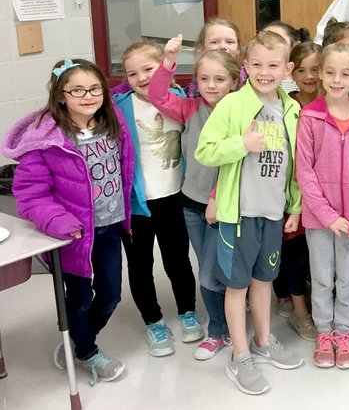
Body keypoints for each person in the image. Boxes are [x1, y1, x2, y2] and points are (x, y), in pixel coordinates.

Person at [2, 59, 133, 385]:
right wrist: (58, 221)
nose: (88, 96)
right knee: (78, 298)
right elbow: (30, 195)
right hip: (74, 236)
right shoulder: (44, 140)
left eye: (94, 88)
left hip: (110, 227)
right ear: (61, 96)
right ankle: (87, 351)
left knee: (111, 295)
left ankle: (77, 339)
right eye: (77, 90)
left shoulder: (111, 121)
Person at [196, 31, 304, 395]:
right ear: (245, 66)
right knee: (237, 286)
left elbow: (293, 164)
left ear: (287, 68)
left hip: (273, 214)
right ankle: (239, 356)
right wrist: (241, 144)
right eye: (256, 64)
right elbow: (205, 152)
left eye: (273, 65)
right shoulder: (231, 105)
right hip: (239, 216)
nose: (264, 71)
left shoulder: (292, 108)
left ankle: (262, 341)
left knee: (264, 281)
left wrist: (295, 206)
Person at [148, 35, 240, 360]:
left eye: (219, 79)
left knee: (214, 272)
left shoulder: (237, 113)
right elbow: (157, 94)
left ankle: (221, 329)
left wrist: (216, 198)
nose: (211, 85)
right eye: (204, 78)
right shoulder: (189, 108)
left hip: (224, 206)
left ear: (233, 82)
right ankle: (222, 327)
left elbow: (233, 163)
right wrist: (168, 61)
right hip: (191, 204)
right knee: (206, 268)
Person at [295, 44, 349, 368]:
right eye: (329, 72)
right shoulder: (311, 116)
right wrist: (328, 216)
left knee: (346, 279)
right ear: (319, 74)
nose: (336, 79)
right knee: (321, 279)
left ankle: (344, 333)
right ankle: (324, 333)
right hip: (320, 219)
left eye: (345, 73)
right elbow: (304, 171)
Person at [113, 40, 201, 357]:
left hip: (175, 198)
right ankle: (153, 322)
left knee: (178, 260)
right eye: (132, 73)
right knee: (140, 265)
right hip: (136, 205)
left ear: (163, 68)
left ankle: (187, 313)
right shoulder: (119, 106)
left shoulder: (178, 100)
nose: (141, 77)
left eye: (148, 69)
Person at [273, 41, 320, 343]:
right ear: (291, 71)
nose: (309, 75)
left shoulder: (332, 100)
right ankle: (299, 309)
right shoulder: (285, 104)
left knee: (316, 255)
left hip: (323, 192)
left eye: (315, 69)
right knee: (294, 251)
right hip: (293, 191)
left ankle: (315, 301)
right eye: (301, 69)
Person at [185, 17, 246, 97]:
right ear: (202, 48)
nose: (223, 46)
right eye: (214, 42)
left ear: (238, 48)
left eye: (230, 42)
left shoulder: (251, 79)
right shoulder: (196, 88)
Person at [288, 41, 322, 108]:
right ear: (292, 73)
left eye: (314, 70)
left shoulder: (332, 102)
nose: (309, 76)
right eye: (301, 71)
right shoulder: (286, 103)